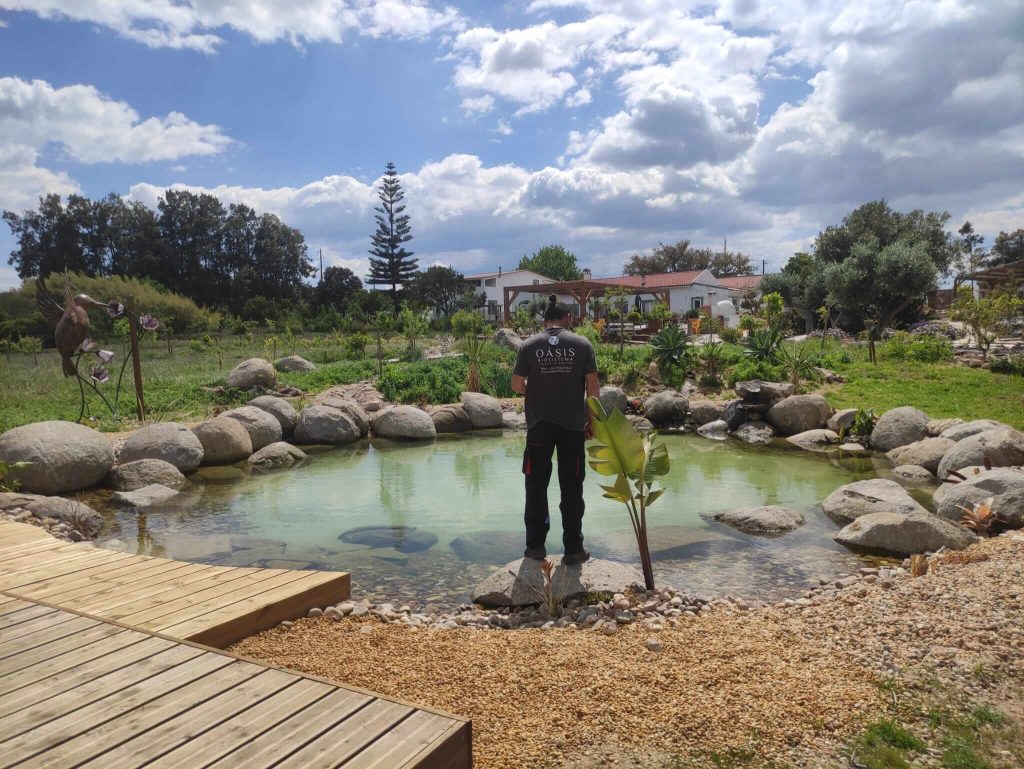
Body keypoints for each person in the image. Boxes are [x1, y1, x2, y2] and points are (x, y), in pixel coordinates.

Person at [511, 295, 600, 564]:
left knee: (536, 487)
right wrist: (591, 420)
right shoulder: (582, 344)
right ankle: (573, 550)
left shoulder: (529, 346)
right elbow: (593, 389)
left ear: (544, 321)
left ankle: (535, 549)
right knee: (572, 488)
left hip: (538, 426)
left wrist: (534, 393)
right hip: (572, 427)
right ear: (567, 319)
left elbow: (516, 384)